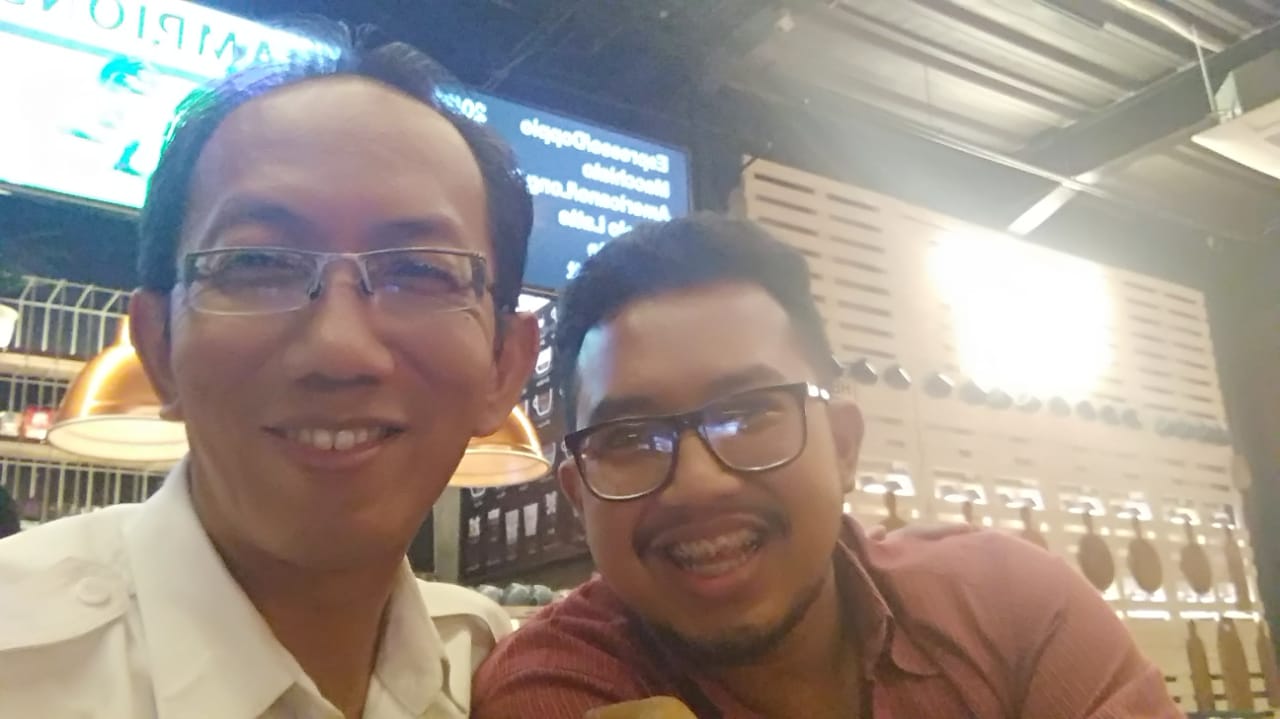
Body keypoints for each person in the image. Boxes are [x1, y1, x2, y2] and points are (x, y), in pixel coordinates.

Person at [0, 24, 539, 719]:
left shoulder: (491, 669)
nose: (339, 349)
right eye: (256, 263)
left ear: (504, 365)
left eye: (419, 270)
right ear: (158, 345)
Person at [472, 214, 1181, 718]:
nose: (698, 482)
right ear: (579, 496)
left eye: (749, 414)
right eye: (630, 437)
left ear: (843, 446)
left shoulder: (1011, 605)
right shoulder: (559, 686)